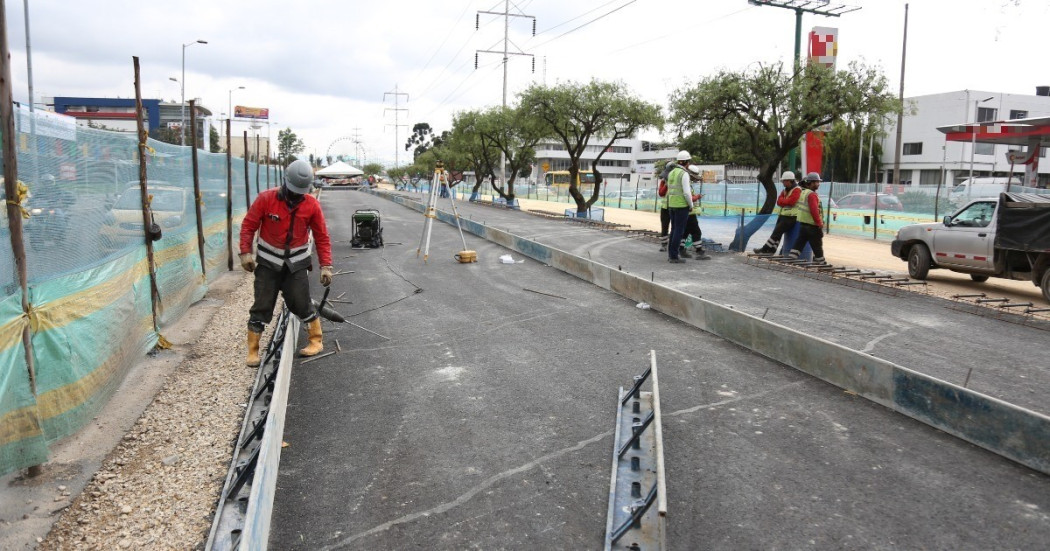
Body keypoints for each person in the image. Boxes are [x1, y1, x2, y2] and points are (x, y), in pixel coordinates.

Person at [240, 159, 334, 367]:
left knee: (300, 302)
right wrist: (245, 253)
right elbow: (248, 226)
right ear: (286, 182)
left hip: (296, 263)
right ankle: (253, 351)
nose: (296, 194)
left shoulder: (311, 205)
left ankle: (315, 341)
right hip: (268, 263)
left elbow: (322, 236)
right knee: (262, 305)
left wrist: (326, 266)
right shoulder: (266, 199)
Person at [753, 171, 801, 254]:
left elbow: (791, 202)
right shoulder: (786, 190)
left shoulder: (797, 190)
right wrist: (785, 201)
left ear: (789, 181)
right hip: (783, 215)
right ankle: (772, 250)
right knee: (777, 234)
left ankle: (764, 249)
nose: (783, 183)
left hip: (791, 217)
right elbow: (779, 202)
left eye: (784, 181)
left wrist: (784, 201)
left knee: (776, 233)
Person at [786, 172, 826, 264]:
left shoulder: (804, 193)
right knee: (817, 245)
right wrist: (819, 223)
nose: (818, 184)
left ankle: (791, 258)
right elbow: (814, 210)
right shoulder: (812, 195)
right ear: (810, 183)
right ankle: (821, 263)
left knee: (799, 243)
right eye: (816, 182)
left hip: (803, 224)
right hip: (812, 225)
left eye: (818, 182)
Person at [665, 150, 696, 264]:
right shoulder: (684, 174)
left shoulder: (672, 172)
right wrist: (691, 205)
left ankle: (671, 254)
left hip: (671, 205)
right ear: (687, 162)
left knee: (673, 229)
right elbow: (687, 193)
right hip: (681, 206)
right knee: (679, 231)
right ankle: (674, 256)